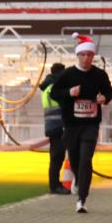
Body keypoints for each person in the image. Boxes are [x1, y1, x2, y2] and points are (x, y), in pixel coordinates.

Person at [50, 34, 112, 214]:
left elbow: (108, 92)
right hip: (71, 124)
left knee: (86, 159)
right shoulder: (68, 74)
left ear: (93, 57)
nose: (86, 58)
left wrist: (104, 98)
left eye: (90, 55)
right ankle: (79, 179)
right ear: (77, 56)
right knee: (76, 159)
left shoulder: (100, 75)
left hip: (91, 124)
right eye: (83, 55)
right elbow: (54, 93)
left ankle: (82, 199)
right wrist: (69, 92)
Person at [39, 63, 69, 194]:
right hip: (59, 126)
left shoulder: (47, 88)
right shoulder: (55, 88)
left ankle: (55, 184)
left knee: (55, 157)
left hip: (52, 126)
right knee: (57, 157)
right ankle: (55, 186)